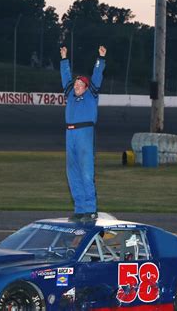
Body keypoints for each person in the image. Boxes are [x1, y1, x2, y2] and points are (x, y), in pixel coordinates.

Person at [60, 45, 106, 221]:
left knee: (86, 172)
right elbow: (65, 78)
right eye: (76, 84)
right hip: (70, 134)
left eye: (81, 84)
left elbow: (96, 77)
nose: (77, 86)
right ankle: (79, 209)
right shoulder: (70, 94)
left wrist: (100, 59)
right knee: (72, 173)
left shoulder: (91, 94)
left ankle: (91, 209)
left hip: (85, 133)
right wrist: (64, 59)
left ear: (87, 88)